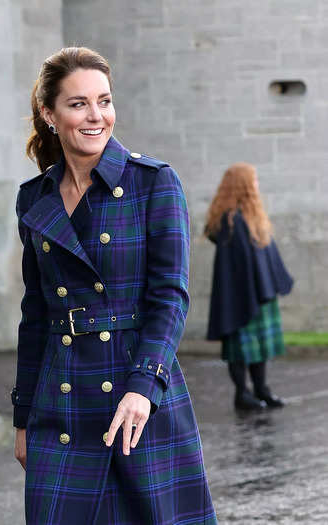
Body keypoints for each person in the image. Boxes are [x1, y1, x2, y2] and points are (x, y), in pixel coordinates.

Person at [11, 47, 216, 524]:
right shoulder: (34, 198)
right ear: (49, 113)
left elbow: (170, 297)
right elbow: (36, 316)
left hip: (137, 394)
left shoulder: (154, 183)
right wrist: (24, 419)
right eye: (78, 103)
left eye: (104, 101)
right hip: (61, 404)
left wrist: (143, 386)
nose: (95, 115)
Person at [204, 162, 293, 410]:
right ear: (242, 185)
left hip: (260, 293)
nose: (257, 185)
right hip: (240, 296)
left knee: (260, 347)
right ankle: (242, 393)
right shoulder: (229, 221)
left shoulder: (254, 217)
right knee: (240, 348)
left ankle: (262, 390)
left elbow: (265, 255)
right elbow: (235, 266)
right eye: (253, 181)